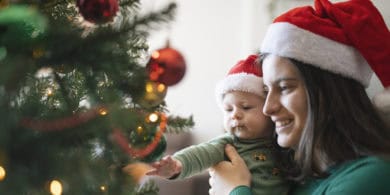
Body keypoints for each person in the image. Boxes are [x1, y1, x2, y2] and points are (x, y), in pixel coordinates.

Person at [208, 0, 390, 194]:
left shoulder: (371, 177)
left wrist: (234, 190)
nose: (268, 108)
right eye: (267, 91)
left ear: (328, 91)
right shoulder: (295, 178)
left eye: (284, 88)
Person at [147, 55, 291, 195]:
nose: (235, 115)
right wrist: (176, 165)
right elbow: (199, 154)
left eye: (246, 107)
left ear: (269, 108)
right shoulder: (228, 144)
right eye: (228, 109)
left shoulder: (282, 142)